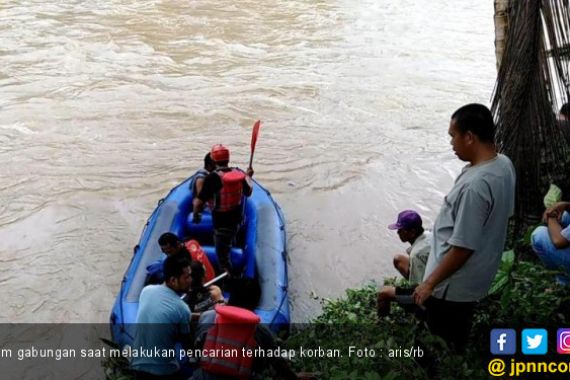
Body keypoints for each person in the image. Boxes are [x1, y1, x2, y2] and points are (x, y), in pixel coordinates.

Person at [412, 103, 516, 352]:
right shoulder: (503, 164)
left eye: (453, 136)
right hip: (474, 280)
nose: (451, 143)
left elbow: (463, 247)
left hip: (451, 287)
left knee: (435, 348)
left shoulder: (476, 186)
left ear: (469, 137)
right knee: (455, 338)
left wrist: (429, 284)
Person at [191, 278, 306, 380]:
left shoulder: (207, 317)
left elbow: (197, 346)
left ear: (230, 299)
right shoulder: (260, 332)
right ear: (255, 305)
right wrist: (295, 377)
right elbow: (278, 364)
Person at [192, 144, 254, 276]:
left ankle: (228, 281)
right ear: (228, 159)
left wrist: (196, 215)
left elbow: (199, 202)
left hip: (221, 223)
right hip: (236, 220)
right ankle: (232, 248)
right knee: (229, 240)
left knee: (223, 260)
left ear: (214, 160)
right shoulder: (239, 174)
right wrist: (248, 177)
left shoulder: (213, 178)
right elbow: (248, 193)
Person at [131, 255, 193, 379]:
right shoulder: (182, 308)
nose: (190, 280)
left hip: (137, 366)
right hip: (164, 371)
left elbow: (160, 312)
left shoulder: (146, 291)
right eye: (186, 277)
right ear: (173, 280)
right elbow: (186, 344)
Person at [377, 210, 431, 316]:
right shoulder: (429, 235)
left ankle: (382, 322)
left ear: (412, 232)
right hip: (437, 277)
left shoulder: (417, 254)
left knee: (383, 293)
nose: (398, 233)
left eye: (401, 230)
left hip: (431, 296)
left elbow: (420, 288)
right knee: (398, 259)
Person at [531, 201, 570, 284]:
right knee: (564, 215)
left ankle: (564, 281)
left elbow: (559, 241)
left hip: (560, 241)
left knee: (538, 234)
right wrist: (566, 205)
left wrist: (551, 215)